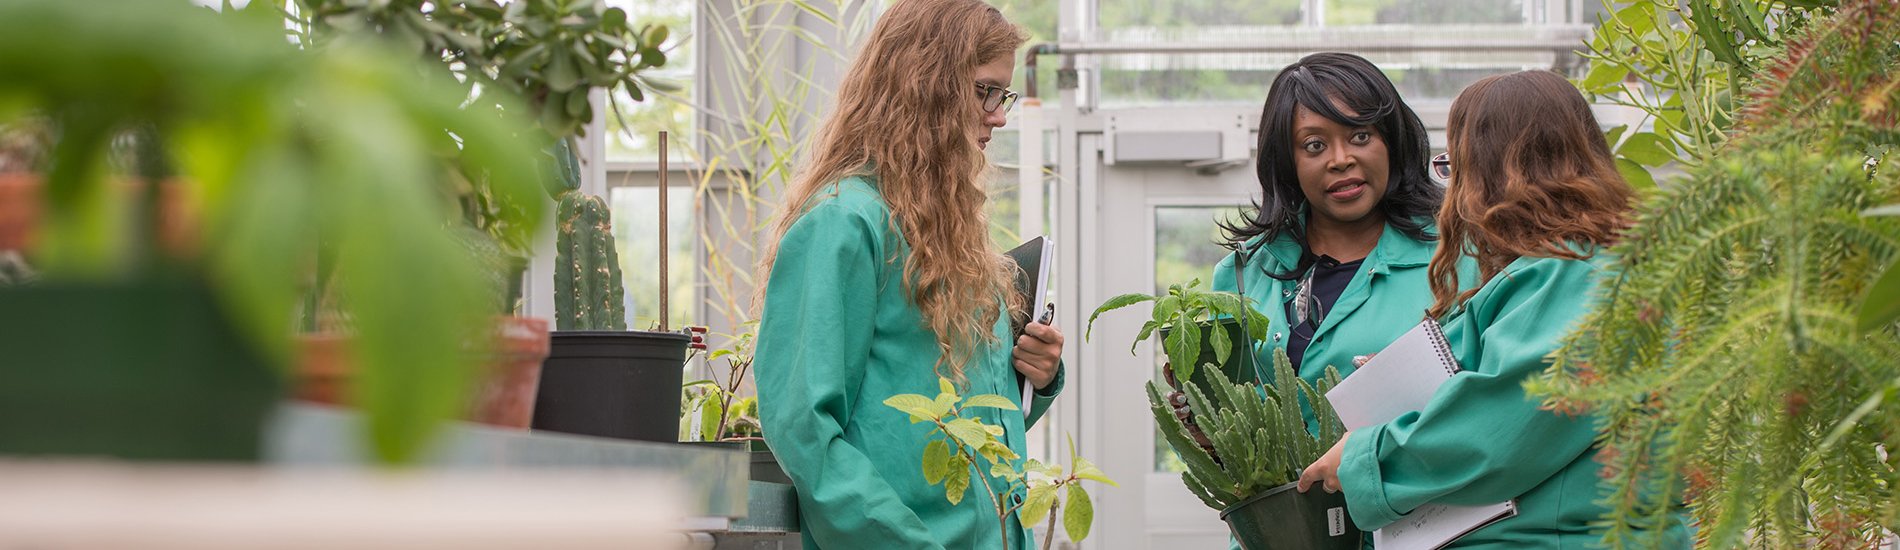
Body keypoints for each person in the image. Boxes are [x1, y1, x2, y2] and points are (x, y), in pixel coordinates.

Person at [1297, 70, 1691, 547]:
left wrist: (1369, 458)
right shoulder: (1566, 270)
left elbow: (1507, 422)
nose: (1451, 192)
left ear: (1491, 172)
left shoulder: (1579, 273)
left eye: (1454, 167)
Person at [752, 1, 1065, 548]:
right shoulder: (842, 224)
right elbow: (805, 431)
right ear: (925, 86)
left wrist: (1034, 379)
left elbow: (962, 425)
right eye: (984, 91)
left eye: (1003, 95)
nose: (1000, 115)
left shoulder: (950, 238)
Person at [1211, 51, 1449, 396]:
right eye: (1314, 145)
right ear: (1286, 161)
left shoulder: (1457, 254)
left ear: (1393, 141)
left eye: (1361, 137)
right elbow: (1229, 423)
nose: (1341, 160)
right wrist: (1200, 427)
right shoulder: (1242, 273)